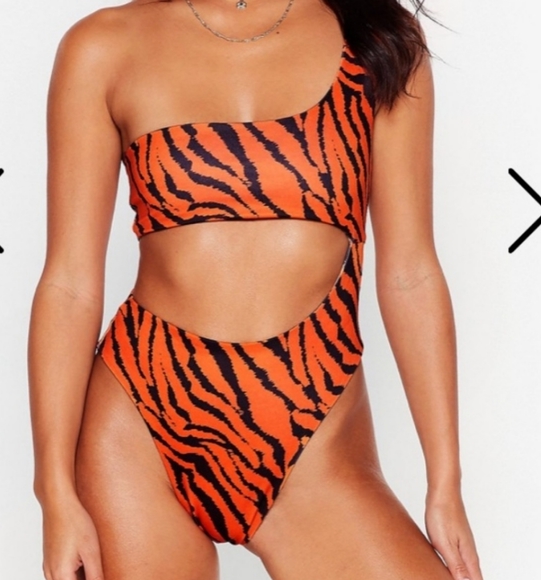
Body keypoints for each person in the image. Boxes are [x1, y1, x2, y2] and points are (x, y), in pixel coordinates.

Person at [27, 0, 484, 578]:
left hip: (315, 434)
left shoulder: (376, 39)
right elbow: (69, 283)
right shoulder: (104, 45)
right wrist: (54, 491)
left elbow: (410, 272)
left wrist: (445, 482)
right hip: (140, 421)